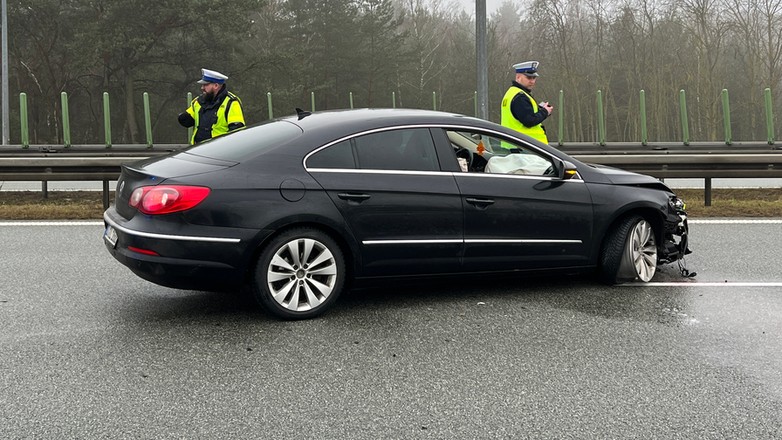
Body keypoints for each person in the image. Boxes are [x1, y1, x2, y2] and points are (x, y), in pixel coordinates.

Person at [178, 68, 245, 144]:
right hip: (197, 149)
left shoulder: (231, 102)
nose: (202, 88)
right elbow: (187, 121)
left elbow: (237, 132)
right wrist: (182, 117)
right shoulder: (199, 101)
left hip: (219, 151)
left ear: (216, 85)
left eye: (205, 85)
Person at [500, 61, 553, 144]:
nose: (532, 81)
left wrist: (541, 110)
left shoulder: (512, 93)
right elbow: (529, 120)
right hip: (524, 147)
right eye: (528, 78)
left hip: (516, 145)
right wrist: (545, 112)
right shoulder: (520, 97)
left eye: (534, 78)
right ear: (518, 77)